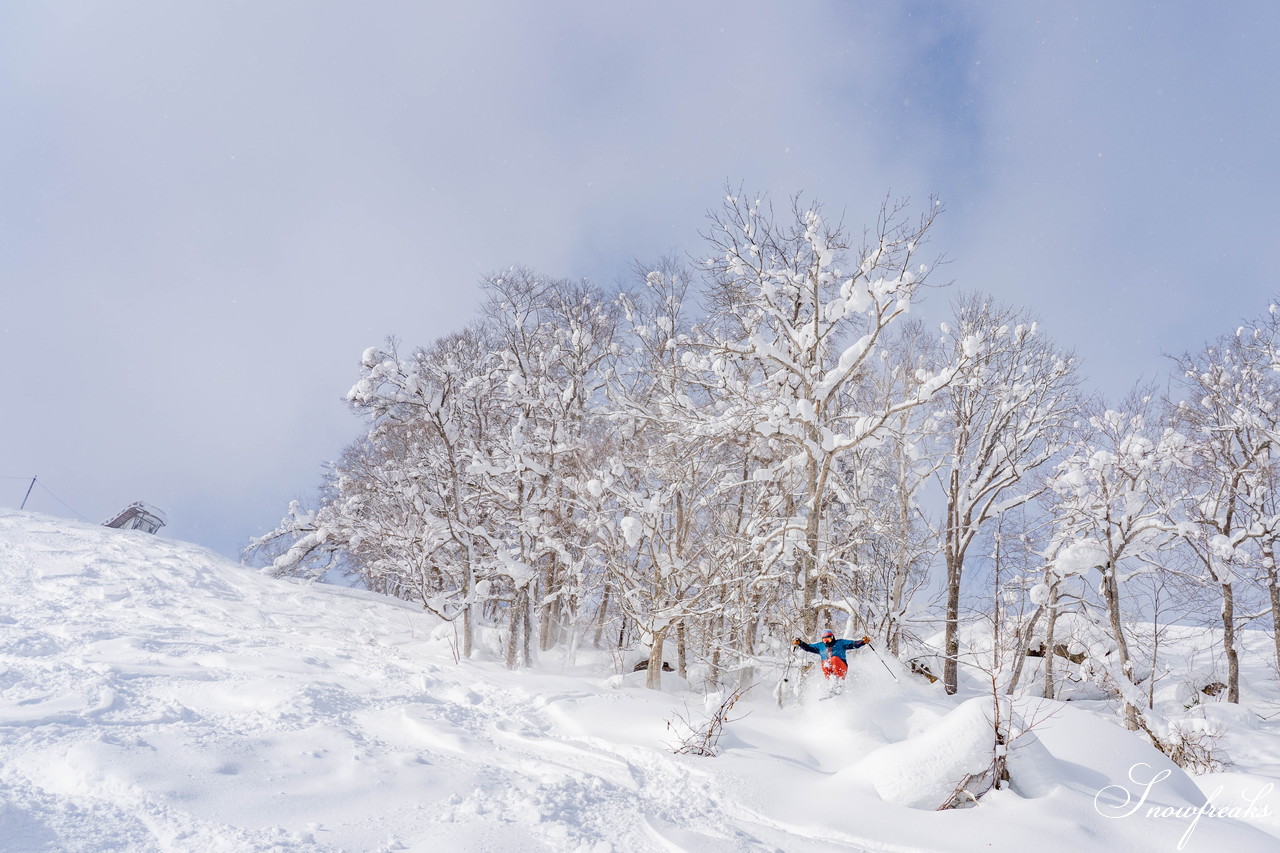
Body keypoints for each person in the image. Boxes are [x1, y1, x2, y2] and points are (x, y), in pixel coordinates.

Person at [793, 630, 871, 682]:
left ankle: (838, 682)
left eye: (828, 640)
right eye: (825, 640)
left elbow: (853, 644)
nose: (827, 642)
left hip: (841, 667)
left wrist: (862, 641)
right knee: (825, 662)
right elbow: (808, 647)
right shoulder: (820, 646)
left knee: (833, 659)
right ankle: (829, 683)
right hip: (829, 669)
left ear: (832, 638)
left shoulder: (840, 643)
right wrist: (800, 643)